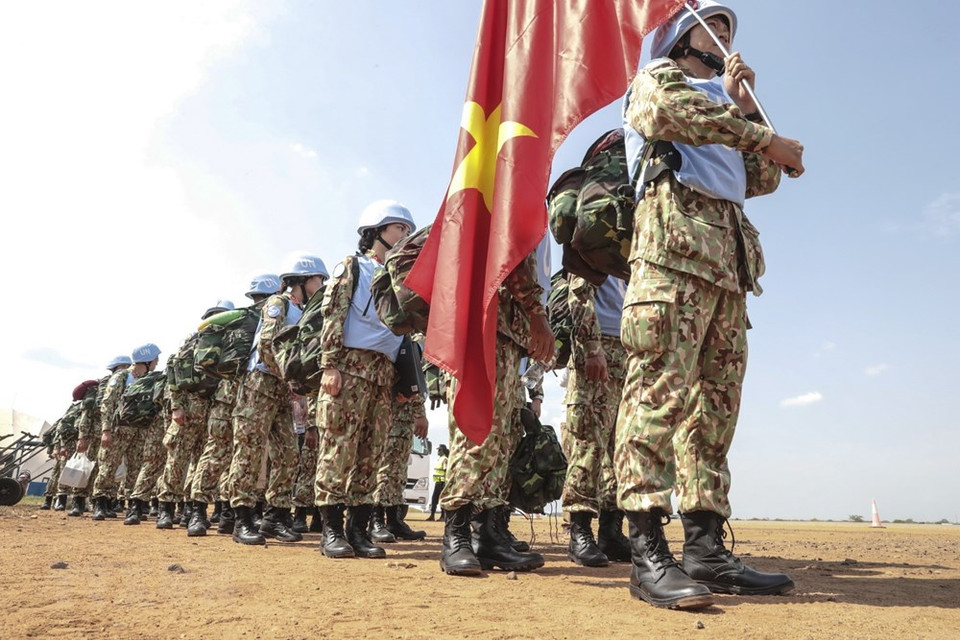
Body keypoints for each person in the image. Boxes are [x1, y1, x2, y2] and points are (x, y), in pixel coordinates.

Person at [617, 0, 803, 609]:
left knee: (713, 416)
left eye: (729, 28)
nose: (724, 34)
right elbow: (670, 113)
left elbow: (763, 179)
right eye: (712, 25)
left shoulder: (724, 104)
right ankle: (646, 547)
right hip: (671, 259)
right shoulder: (661, 80)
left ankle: (705, 548)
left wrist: (747, 112)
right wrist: (757, 130)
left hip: (725, 269)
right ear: (680, 36)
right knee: (657, 398)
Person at [438, 252, 554, 576]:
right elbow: (508, 255)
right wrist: (535, 312)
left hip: (512, 337)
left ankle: (489, 534)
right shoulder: (506, 202)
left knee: (503, 442)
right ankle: (456, 535)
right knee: (475, 432)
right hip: (485, 323)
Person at [314, 200, 415, 560]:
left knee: (370, 454)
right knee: (338, 448)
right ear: (376, 231)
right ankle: (330, 531)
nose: (405, 234)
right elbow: (333, 315)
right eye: (399, 228)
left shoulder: (403, 277)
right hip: (349, 367)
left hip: (383, 375)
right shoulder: (352, 267)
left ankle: (357, 530)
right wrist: (329, 365)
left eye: (406, 229)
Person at [227, 257, 328, 545]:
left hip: (282, 390)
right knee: (249, 452)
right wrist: (288, 376)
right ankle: (243, 518)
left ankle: (276, 515)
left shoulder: (300, 310)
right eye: (318, 280)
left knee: (287, 454)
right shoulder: (278, 303)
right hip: (259, 385)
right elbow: (267, 343)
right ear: (303, 279)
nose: (321, 286)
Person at [190, 276, 279, 537]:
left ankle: (224, 514)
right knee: (225, 453)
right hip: (236, 395)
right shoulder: (246, 320)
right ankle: (199, 511)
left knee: (232, 454)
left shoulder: (240, 318)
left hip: (237, 396)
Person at [562, 274, 631, 567]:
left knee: (621, 447)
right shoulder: (599, 233)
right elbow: (579, 293)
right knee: (589, 442)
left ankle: (611, 531)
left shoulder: (633, 244)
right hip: (599, 346)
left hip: (628, 348)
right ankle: (580, 530)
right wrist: (591, 348)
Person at [91, 344, 161, 521]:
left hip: (140, 430)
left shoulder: (150, 379)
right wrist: (106, 430)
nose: (157, 363)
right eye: (155, 359)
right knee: (108, 465)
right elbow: (107, 403)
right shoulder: (121, 377)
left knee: (136, 468)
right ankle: (100, 502)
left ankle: (133, 506)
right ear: (146, 360)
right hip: (119, 429)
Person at [74, 355, 132, 516]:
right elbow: (86, 415)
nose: (129, 369)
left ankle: (105, 503)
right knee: (89, 468)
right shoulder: (98, 387)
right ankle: (78, 501)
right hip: (95, 434)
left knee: (112, 468)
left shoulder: (130, 383)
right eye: (126, 366)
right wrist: (82, 437)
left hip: (116, 431)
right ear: (118, 367)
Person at [426, 444, 448, 521]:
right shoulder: (440, 459)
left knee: (442, 499)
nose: (438, 451)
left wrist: (445, 483)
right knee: (434, 499)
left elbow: (446, 471)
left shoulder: (444, 459)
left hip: (442, 482)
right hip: (437, 481)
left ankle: (442, 516)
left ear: (443, 451)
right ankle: (432, 515)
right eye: (438, 450)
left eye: (440, 450)